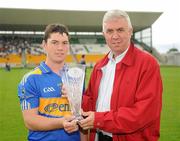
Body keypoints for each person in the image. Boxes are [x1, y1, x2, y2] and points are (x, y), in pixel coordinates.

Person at [79, 10, 163, 141]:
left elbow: (143, 114)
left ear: (130, 31)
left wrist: (99, 120)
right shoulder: (99, 66)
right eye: (110, 31)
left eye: (120, 30)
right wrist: (74, 95)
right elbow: (90, 102)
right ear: (104, 34)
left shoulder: (148, 64)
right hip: (99, 136)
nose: (115, 36)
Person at [18, 24, 82, 141]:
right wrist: (62, 122)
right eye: (54, 42)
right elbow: (30, 121)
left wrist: (74, 99)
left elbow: (83, 117)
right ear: (44, 45)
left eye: (64, 43)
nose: (60, 48)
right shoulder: (31, 79)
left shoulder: (76, 77)